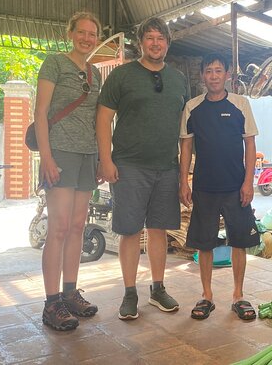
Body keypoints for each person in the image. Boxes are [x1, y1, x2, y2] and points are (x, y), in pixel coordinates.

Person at [96, 17, 189, 320]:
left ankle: (158, 288)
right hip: (129, 165)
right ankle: (129, 292)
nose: (155, 43)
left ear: (167, 43)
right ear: (140, 43)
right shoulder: (122, 76)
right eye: (149, 38)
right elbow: (102, 118)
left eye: (160, 38)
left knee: (159, 228)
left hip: (166, 166)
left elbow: (184, 127)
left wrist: (183, 170)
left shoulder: (178, 79)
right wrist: (106, 159)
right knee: (130, 229)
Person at [179, 53, 260, 321]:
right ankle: (206, 295)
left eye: (218, 71)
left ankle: (238, 295)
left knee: (240, 241)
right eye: (208, 71)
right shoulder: (192, 107)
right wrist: (184, 181)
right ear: (202, 76)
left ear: (227, 75)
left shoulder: (240, 104)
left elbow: (250, 144)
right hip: (204, 186)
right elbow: (186, 146)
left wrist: (249, 182)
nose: (213, 76)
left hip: (236, 186)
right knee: (205, 243)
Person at [34, 11, 102, 331]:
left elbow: (97, 120)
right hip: (59, 152)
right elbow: (41, 111)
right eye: (82, 32)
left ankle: (71, 293)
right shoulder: (55, 63)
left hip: (87, 154)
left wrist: (102, 156)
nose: (87, 38)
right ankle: (51, 304)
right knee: (58, 228)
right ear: (70, 33)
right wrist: (46, 157)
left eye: (92, 34)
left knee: (77, 226)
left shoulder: (95, 73)